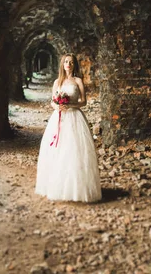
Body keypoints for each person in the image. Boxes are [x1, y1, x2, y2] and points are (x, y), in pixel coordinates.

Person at [35, 53, 102, 203]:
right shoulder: (57, 82)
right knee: (58, 151)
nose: (68, 64)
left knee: (75, 150)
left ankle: (77, 189)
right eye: (66, 62)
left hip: (74, 116)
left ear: (74, 65)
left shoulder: (78, 81)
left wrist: (70, 105)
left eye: (71, 62)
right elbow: (52, 101)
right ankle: (58, 186)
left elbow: (83, 101)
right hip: (59, 117)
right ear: (62, 64)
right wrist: (58, 106)